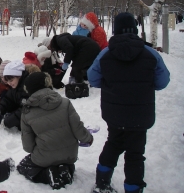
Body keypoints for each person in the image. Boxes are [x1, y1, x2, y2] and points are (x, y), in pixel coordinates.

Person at [87, 12, 170, 193]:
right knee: (135, 154)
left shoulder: (106, 53)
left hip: (114, 113)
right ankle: (133, 189)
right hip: (140, 115)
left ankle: (102, 184)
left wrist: (110, 82)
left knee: (113, 143)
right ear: (135, 28)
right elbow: (163, 82)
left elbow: (92, 78)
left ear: (115, 30)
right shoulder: (150, 53)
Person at [17, 72, 93, 190]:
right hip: (69, 154)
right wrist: (89, 138)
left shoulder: (27, 112)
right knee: (64, 160)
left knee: (23, 165)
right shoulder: (65, 103)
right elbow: (78, 129)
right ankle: (66, 169)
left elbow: (28, 147)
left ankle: (47, 175)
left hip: (44, 157)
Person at [0, 60, 40, 130]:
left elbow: (28, 108)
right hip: (24, 107)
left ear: (19, 76)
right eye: (7, 81)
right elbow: (8, 99)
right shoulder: (16, 85)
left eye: (11, 80)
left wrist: (9, 121)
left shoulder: (28, 86)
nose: (9, 83)